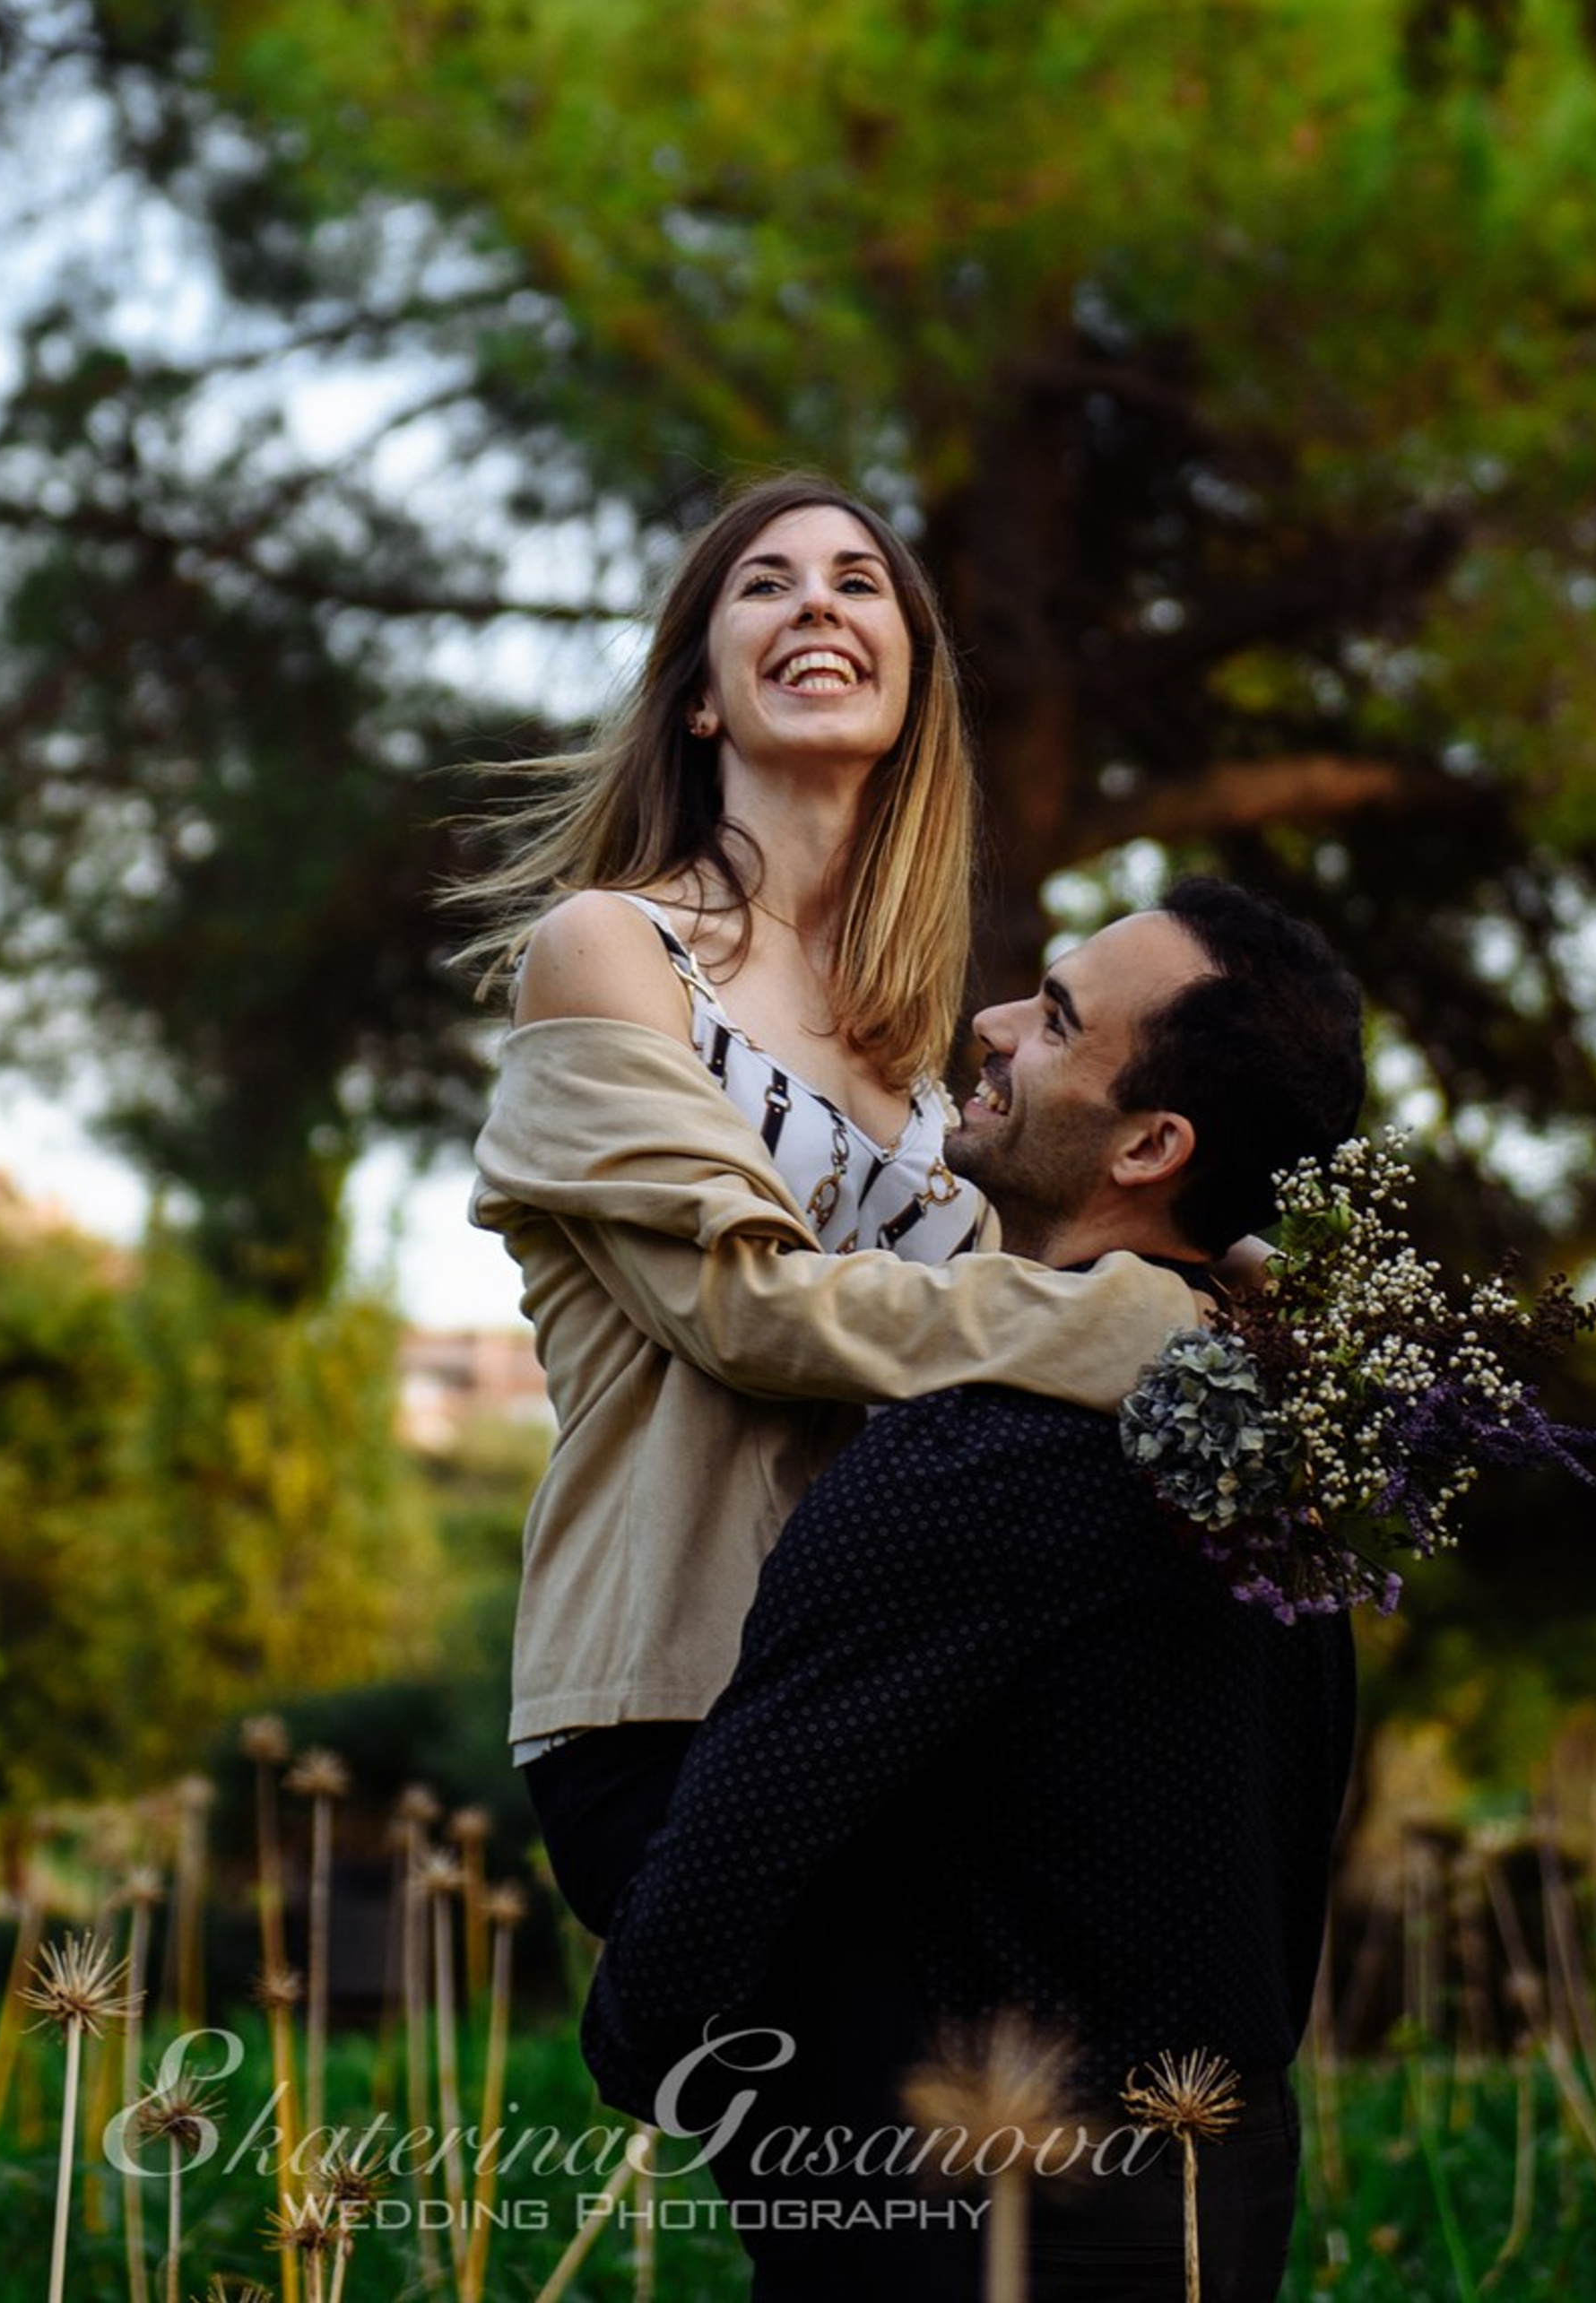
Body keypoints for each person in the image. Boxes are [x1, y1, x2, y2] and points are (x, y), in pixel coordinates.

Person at [578, 878, 1366, 2303]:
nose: (994, 1024)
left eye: (1058, 1022)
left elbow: (736, 1842)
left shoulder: (984, 1455)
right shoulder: (1283, 1459)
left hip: (989, 2216)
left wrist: (639, 2044)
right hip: (1224, 2192)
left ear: (1150, 1145)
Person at [459, 473, 1210, 1940]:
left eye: (860, 583)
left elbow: (994, 1328)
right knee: (857, 2168)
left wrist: (1232, 1274)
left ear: (913, 683)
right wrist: (1128, 1324)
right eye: (768, 583)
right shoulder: (610, 951)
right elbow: (745, 1313)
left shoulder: (910, 1050)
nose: (818, 600)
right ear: (698, 701)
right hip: (681, 1697)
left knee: (983, 2164)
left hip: (893, 1685)